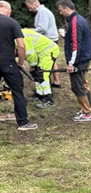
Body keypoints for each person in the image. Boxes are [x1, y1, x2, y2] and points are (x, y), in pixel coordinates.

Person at [0, 1, 38, 130]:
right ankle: (23, 122)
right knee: (17, 91)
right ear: (7, 10)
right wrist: (21, 63)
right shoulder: (12, 23)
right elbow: (21, 45)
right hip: (8, 63)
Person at [56, 0, 91, 122]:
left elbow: (75, 46)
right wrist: (66, 35)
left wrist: (71, 64)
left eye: (61, 10)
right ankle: (86, 109)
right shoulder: (80, 19)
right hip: (85, 57)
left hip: (79, 60)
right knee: (84, 84)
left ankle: (87, 113)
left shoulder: (74, 22)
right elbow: (78, 38)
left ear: (67, 8)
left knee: (78, 86)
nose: (61, 13)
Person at [24, 0, 61, 87]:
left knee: (47, 63)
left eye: (30, 7)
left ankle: (46, 83)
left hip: (48, 40)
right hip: (51, 40)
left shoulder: (42, 13)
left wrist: (29, 31)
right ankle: (56, 82)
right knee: (52, 61)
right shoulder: (42, 12)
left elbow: (42, 29)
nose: (30, 10)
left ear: (35, 4)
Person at [21, 28, 60, 108]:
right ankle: (39, 94)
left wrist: (33, 65)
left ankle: (48, 99)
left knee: (42, 74)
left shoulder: (22, 37)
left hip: (49, 51)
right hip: (40, 52)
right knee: (35, 73)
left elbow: (30, 53)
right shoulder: (18, 34)